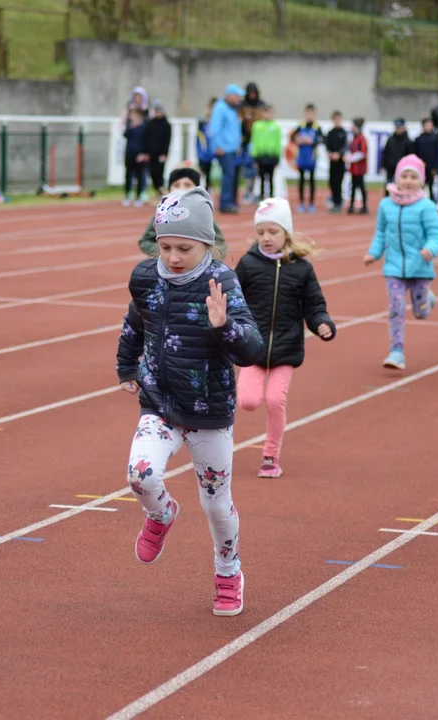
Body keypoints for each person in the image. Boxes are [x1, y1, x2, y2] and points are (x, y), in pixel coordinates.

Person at [116, 186, 264, 617]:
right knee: (140, 476)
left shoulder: (222, 281)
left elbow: (250, 350)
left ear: (208, 245)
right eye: (165, 246)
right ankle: (162, 515)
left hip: (208, 411)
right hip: (159, 402)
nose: (174, 256)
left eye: (185, 247)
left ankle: (227, 570)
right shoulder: (145, 277)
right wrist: (128, 367)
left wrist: (223, 327)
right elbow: (134, 323)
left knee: (217, 505)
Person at [235, 198, 336, 478]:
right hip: (252, 348)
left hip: (287, 347)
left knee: (275, 400)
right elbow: (233, 300)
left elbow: (314, 306)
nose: (266, 238)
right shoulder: (247, 264)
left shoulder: (301, 269)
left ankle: (271, 455)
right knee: (248, 401)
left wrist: (322, 324)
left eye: (273, 232)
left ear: (286, 234)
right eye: (261, 232)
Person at [363, 154, 438, 370]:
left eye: (413, 176)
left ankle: (427, 298)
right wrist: (374, 253)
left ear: (421, 181)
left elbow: (436, 233)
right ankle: (396, 351)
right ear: (397, 178)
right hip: (393, 267)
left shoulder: (426, 206)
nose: (408, 180)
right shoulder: (385, 205)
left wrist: (430, 249)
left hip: (420, 267)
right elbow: (380, 232)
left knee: (421, 312)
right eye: (404, 176)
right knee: (396, 307)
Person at [138, 168, 227, 259]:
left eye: (187, 185)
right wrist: (165, 250)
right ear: (169, 189)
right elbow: (145, 241)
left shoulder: (202, 213)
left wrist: (208, 258)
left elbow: (220, 243)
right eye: (176, 185)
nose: (181, 188)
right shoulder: (163, 213)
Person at [208, 85, 246, 214]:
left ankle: (230, 201)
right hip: (223, 149)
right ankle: (225, 203)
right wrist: (218, 145)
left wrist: (237, 145)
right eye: (237, 96)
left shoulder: (233, 109)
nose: (238, 99)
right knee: (228, 175)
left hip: (232, 148)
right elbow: (215, 128)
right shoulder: (220, 108)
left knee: (232, 175)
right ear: (229, 95)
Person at [290, 104, 325, 213]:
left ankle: (311, 204)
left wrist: (312, 142)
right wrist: (298, 140)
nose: (309, 116)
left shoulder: (317, 127)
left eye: (311, 114)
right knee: (301, 180)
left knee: (311, 180)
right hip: (302, 156)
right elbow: (292, 137)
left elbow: (322, 139)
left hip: (312, 157)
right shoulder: (301, 126)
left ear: (315, 114)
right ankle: (301, 203)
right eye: (307, 114)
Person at [250, 104, 282, 200]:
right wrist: (254, 155)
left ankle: (271, 197)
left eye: (270, 113)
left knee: (271, 178)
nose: (268, 115)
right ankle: (261, 197)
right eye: (266, 112)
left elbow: (278, 142)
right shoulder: (257, 126)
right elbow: (254, 141)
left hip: (271, 156)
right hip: (261, 156)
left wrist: (277, 156)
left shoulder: (276, 127)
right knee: (261, 178)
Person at [144, 101, 172, 199]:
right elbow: (147, 139)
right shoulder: (150, 124)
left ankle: (161, 191)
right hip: (151, 153)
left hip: (161, 153)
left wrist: (165, 153)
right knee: (152, 173)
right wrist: (146, 152)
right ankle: (158, 190)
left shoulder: (166, 125)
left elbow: (167, 140)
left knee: (159, 172)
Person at [123, 108, 149, 207]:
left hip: (140, 155)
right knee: (128, 175)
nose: (132, 116)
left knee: (139, 176)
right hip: (129, 153)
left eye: (134, 114)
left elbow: (147, 141)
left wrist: (144, 153)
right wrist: (130, 126)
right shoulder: (130, 126)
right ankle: (128, 195)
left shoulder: (144, 127)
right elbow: (125, 135)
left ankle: (139, 196)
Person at [380, 118, 415, 191]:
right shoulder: (390, 139)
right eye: (397, 128)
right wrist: (383, 165)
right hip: (390, 167)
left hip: (402, 169)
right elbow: (386, 153)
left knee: (401, 186)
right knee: (388, 186)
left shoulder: (408, 141)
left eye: (400, 127)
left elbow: (410, 156)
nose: (398, 129)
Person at [325, 111, 349, 213]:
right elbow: (327, 145)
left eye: (339, 119)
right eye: (335, 119)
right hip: (332, 161)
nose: (337, 121)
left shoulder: (343, 133)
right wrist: (330, 153)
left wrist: (339, 154)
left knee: (339, 182)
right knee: (332, 182)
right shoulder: (330, 133)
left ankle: (338, 203)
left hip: (340, 161)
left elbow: (345, 146)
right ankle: (334, 200)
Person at [413, 117, 438, 200]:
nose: (428, 127)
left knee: (432, 185)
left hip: (431, 166)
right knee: (420, 184)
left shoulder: (435, 139)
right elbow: (416, 153)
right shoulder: (418, 139)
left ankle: (432, 200)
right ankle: (418, 199)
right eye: (426, 125)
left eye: (430, 125)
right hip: (421, 166)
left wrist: (436, 166)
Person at [346, 118, 369, 214]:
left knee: (361, 187)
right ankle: (351, 205)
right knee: (353, 187)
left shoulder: (362, 139)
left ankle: (364, 206)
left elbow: (363, 153)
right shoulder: (354, 138)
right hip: (353, 169)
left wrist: (351, 158)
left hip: (360, 169)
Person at [197, 98, 217, 192]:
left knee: (209, 172)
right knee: (201, 171)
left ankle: (207, 188)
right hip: (203, 151)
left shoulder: (216, 121)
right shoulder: (202, 121)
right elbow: (199, 136)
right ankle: (198, 189)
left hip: (211, 151)